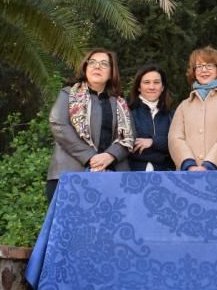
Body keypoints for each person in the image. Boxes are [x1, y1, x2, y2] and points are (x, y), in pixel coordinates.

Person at [46, 48, 135, 203]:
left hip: (112, 176)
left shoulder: (119, 102)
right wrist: (90, 157)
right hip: (70, 175)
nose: (97, 66)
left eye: (104, 64)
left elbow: (129, 135)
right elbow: (59, 125)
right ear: (85, 68)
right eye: (92, 62)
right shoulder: (68, 94)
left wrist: (110, 156)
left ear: (111, 72)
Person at [169, 46, 217, 171]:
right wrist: (189, 165)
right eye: (199, 66)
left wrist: (210, 165)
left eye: (209, 65)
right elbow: (175, 138)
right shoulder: (184, 105)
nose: (203, 70)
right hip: (189, 175)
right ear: (193, 72)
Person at [127, 64, 175, 171]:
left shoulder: (172, 115)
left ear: (162, 87)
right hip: (133, 175)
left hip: (166, 174)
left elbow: (177, 143)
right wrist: (163, 147)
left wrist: (153, 142)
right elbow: (129, 145)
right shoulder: (127, 112)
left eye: (156, 82)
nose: (152, 87)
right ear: (139, 87)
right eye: (146, 82)